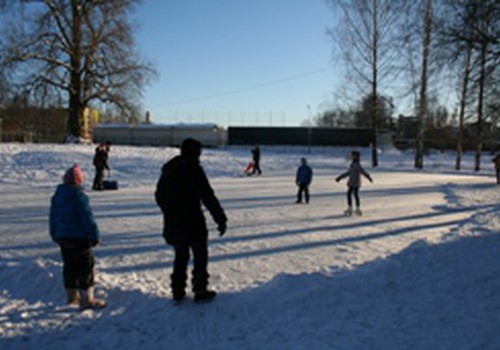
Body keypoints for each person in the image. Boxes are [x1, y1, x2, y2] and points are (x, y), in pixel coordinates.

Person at [155, 138, 227, 303]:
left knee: (181, 256)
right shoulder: (194, 170)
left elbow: (159, 196)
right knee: (200, 255)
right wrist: (220, 219)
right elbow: (208, 196)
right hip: (193, 221)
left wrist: (170, 212)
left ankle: (178, 291)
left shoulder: (169, 170)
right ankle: (200, 289)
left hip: (175, 222)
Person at [49, 164, 106, 309]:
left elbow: (53, 218)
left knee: (69, 266)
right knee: (85, 267)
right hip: (80, 239)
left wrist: (55, 234)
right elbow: (87, 219)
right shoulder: (79, 197)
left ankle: (72, 297)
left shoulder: (57, 197)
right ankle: (87, 299)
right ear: (79, 181)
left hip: (63, 238)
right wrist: (94, 236)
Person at [336, 151, 373, 216]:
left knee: (355, 195)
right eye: (352, 155)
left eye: (353, 156)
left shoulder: (357, 165)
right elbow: (348, 173)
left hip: (356, 183)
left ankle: (357, 208)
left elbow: (363, 172)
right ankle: (350, 208)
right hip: (351, 182)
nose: (352, 157)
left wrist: (369, 177)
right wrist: (340, 177)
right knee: (349, 194)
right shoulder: (352, 164)